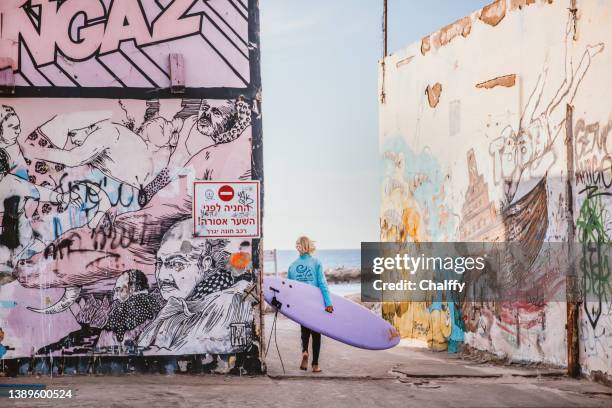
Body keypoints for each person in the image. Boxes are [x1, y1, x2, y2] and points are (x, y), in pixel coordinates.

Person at [287, 236, 333, 373]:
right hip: (315, 303)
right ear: (309, 246)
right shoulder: (316, 263)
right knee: (316, 334)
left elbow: (290, 289)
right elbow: (322, 285)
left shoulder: (292, 266)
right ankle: (315, 365)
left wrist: (289, 307)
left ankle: (304, 351)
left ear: (298, 247)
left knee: (304, 331)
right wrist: (328, 303)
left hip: (301, 304)